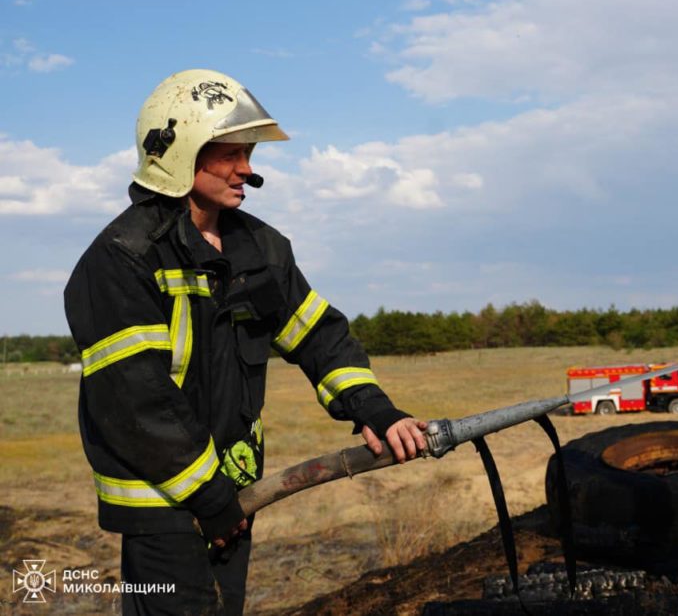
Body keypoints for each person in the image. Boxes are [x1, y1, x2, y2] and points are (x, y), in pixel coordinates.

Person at [64, 69, 427, 615]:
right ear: (179, 152)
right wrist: (209, 498)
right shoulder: (123, 259)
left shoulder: (258, 247)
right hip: (163, 508)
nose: (247, 170)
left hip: (231, 497)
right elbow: (134, 400)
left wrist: (375, 409)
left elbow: (319, 337)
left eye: (249, 153)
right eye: (230, 153)